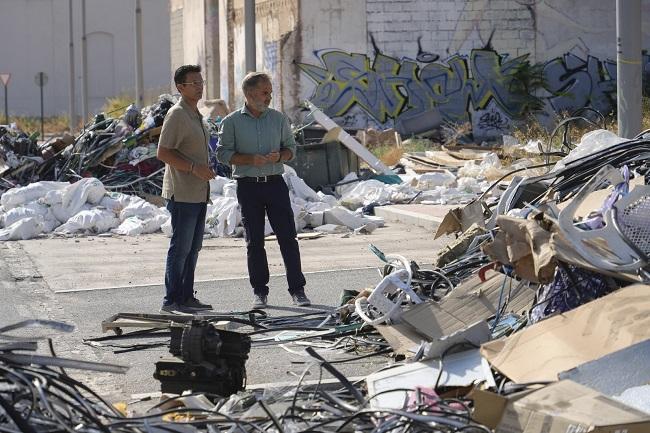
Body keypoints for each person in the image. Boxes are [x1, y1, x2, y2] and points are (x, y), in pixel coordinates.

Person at [217, 72, 311, 308]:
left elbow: (291, 149)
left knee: (288, 238)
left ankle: (297, 290)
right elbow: (222, 154)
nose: (269, 97)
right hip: (248, 187)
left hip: (275, 184)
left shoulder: (279, 119)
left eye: (270, 92)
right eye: (264, 92)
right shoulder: (230, 122)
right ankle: (260, 292)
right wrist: (249, 159)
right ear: (249, 94)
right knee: (254, 241)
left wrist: (280, 155)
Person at [157, 64, 216, 313]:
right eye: (194, 83)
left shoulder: (195, 114)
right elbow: (163, 152)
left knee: (193, 248)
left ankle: (186, 296)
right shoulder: (177, 114)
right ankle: (171, 300)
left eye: (201, 82)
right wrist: (194, 168)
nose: (200, 87)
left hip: (199, 192)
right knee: (180, 247)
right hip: (182, 192)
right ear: (181, 87)